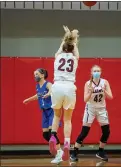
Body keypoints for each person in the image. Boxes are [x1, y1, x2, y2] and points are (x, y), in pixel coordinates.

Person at [49, 25, 79, 162]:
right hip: (69, 87)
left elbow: (61, 48)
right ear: (73, 48)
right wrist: (73, 39)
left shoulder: (57, 56)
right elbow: (75, 49)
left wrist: (66, 36)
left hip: (57, 86)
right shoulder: (75, 59)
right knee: (67, 119)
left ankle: (53, 136)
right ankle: (67, 142)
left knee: (56, 116)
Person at [70, 65, 113, 162]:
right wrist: (91, 92)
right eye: (95, 71)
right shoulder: (88, 84)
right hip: (90, 109)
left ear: (101, 72)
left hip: (102, 109)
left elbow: (111, 97)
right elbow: (85, 99)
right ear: (91, 72)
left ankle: (100, 151)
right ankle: (74, 153)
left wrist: (104, 90)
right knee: (85, 131)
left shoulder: (105, 82)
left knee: (106, 131)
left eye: (98, 70)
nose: (96, 72)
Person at [23, 68, 62, 164]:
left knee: (51, 132)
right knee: (45, 135)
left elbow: (52, 90)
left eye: (36, 74)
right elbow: (37, 96)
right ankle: (57, 149)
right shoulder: (37, 86)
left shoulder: (48, 84)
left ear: (42, 75)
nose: (35, 76)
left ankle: (59, 153)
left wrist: (49, 93)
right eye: (34, 74)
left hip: (52, 110)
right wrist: (28, 100)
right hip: (44, 112)